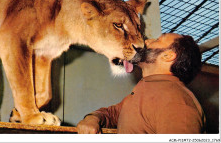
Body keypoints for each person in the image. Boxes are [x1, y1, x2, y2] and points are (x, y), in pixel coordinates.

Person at [77, 33, 206, 134]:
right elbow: (113, 113)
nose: (147, 41)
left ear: (168, 56)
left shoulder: (176, 102)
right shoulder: (148, 89)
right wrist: (93, 118)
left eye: (157, 40)